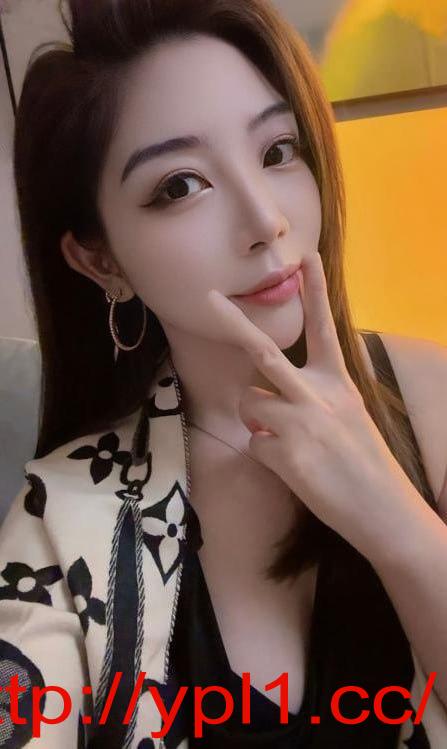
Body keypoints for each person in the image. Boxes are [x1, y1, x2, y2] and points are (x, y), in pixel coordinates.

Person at [0, 0, 446, 747]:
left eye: (278, 150)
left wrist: (394, 520)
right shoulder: (66, 511)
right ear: (101, 260)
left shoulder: (434, 399)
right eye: (180, 185)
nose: (265, 219)